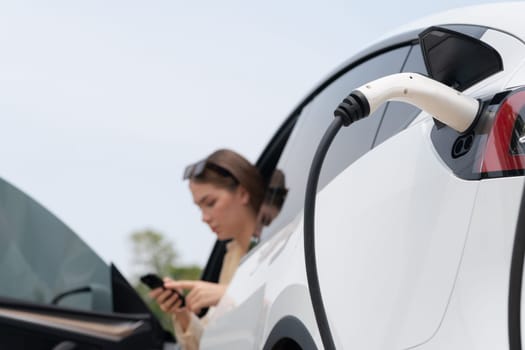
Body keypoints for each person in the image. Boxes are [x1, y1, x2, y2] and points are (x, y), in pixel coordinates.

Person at [149, 149, 265, 350]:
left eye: (210, 203)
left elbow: (293, 307)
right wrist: (182, 312)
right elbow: (211, 343)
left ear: (243, 193)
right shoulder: (232, 256)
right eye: (199, 208)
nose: (204, 217)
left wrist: (229, 295)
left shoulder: (286, 241)